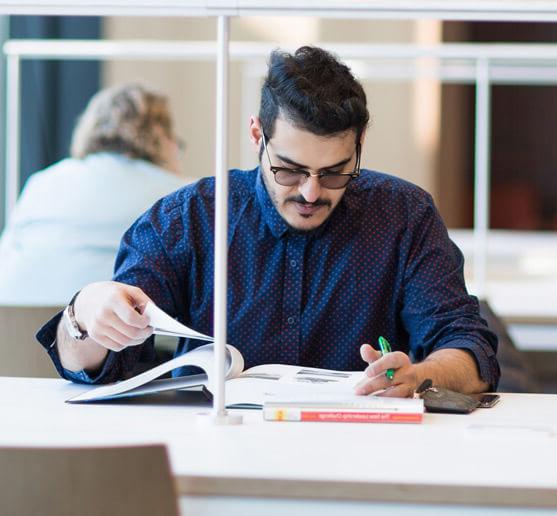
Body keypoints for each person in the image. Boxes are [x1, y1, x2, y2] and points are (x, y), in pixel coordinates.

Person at [35, 46, 499, 396]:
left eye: (335, 172)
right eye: (290, 169)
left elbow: (468, 348)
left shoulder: (404, 216)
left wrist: (419, 376)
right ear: (258, 133)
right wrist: (86, 314)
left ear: (359, 142)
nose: (311, 192)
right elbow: (98, 367)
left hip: (359, 464)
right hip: (210, 457)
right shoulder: (190, 219)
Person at [0, 84, 193, 304]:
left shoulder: (42, 181)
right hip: (97, 331)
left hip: (2, 328)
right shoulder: (180, 197)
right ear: (164, 139)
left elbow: (1, 264)